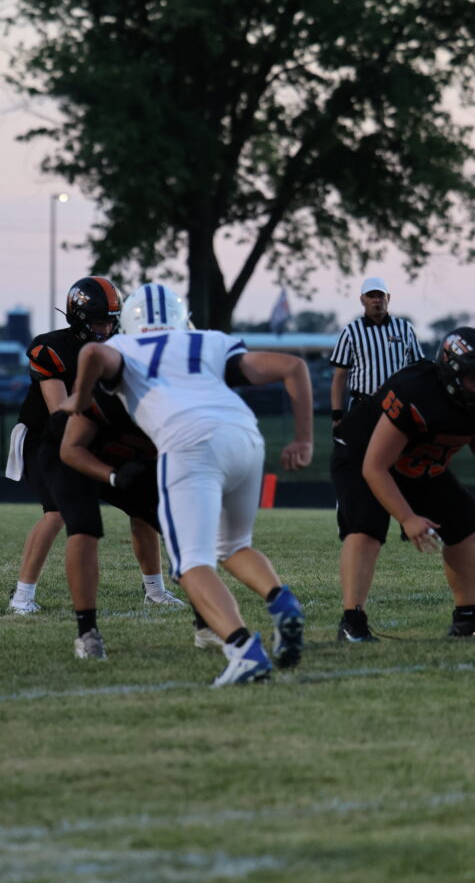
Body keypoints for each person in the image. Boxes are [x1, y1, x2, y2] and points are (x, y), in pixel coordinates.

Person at [61, 282, 314, 685]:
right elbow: (293, 367)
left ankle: (243, 652)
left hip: (189, 445)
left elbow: (92, 354)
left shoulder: (124, 346)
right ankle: (282, 602)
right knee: (233, 546)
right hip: (245, 437)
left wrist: (78, 397)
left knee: (192, 564)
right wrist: (303, 439)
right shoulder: (209, 340)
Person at [7, 276, 179, 615]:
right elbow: (61, 414)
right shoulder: (51, 348)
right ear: (79, 319)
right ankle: (22, 596)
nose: (107, 329)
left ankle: (155, 590)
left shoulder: (123, 347)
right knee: (56, 511)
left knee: (143, 507)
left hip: (95, 437)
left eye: (112, 322)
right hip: (47, 439)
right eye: (100, 322)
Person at [332, 326, 475, 642]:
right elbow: (375, 467)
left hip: (418, 462)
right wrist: (408, 518)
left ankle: (468, 618)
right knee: (366, 526)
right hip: (363, 455)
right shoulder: (418, 392)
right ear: (451, 371)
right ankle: (352, 622)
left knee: (465, 522)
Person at [46, 387, 184, 660]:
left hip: (126, 457)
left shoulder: (177, 409)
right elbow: (71, 449)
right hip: (71, 452)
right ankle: (87, 631)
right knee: (85, 526)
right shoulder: (106, 398)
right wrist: (112, 477)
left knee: (176, 527)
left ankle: (203, 621)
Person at [329, 277, 423, 425]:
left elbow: (417, 370)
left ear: (388, 298)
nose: (376, 300)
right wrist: (337, 415)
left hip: (398, 405)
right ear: (362, 300)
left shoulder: (405, 329)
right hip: (363, 405)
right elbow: (340, 377)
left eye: (380, 296)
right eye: (371, 296)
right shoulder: (351, 331)